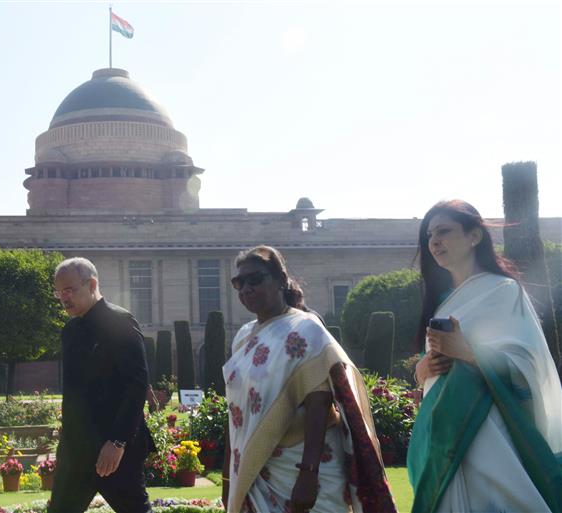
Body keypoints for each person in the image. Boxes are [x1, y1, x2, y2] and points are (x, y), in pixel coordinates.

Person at [408, 200, 562, 513]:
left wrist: (467, 352)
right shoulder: (441, 301)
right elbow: (436, 368)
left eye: (444, 231)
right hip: (442, 432)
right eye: (429, 235)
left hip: (488, 430)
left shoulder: (504, 291)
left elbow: (528, 366)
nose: (434, 241)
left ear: (475, 236)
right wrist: (422, 370)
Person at [221, 246, 396, 513]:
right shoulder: (243, 338)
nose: (246, 288)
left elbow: (320, 404)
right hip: (254, 467)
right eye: (239, 282)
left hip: (302, 463)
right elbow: (237, 413)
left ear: (280, 279)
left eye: (255, 279)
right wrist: (226, 475)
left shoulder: (306, 329)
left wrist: (308, 472)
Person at [48, 257, 154, 513]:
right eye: (59, 292)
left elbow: (136, 384)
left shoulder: (120, 322)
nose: (63, 298)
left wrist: (117, 442)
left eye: (69, 290)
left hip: (115, 452)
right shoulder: (70, 330)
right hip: (76, 453)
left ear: (92, 283)